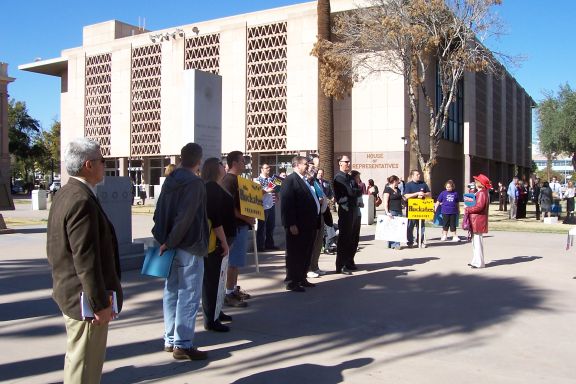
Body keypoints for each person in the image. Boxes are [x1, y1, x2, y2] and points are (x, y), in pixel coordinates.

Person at [46, 138, 123, 383]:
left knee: (78, 359)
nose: (104, 165)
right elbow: (85, 259)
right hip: (85, 301)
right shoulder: (80, 200)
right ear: (89, 165)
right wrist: (100, 304)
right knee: (86, 365)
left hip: (72, 294)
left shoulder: (67, 193)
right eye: (102, 160)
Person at [152, 142, 209, 361]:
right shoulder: (195, 183)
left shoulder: (170, 180)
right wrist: (171, 241)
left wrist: (163, 239)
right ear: (198, 160)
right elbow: (185, 216)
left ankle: (170, 338)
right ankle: (183, 343)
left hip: (169, 244)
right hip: (188, 244)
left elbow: (159, 213)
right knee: (189, 294)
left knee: (171, 291)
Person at [201, 158, 235, 332]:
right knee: (211, 281)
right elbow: (215, 219)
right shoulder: (211, 188)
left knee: (219, 279)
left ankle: (216, 310)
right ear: (215, 168)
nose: (225, 166)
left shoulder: (217, 186)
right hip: (215, 242)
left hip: (222, 240)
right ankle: (210, 319)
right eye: (222, 164)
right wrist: (223, 240)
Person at [221, 151, 255, 307]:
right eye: (242, 161)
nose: (244, 164)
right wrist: (246, 218)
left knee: (236, 262)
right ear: (234, 163)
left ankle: (233, 288)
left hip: (240, 226)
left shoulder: (238, 180)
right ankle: (228, 293)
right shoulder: (229, 180)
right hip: (234, 227)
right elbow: (229, 207)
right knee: (232, 262)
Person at [281, 155, 320, 291]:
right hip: (297, 225)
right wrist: (291, 224)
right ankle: (293, 281)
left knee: (306, 252)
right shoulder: (290, 180)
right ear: (297, 165)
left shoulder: (304, 180)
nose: (308, 166)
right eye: (305, 164)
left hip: (309, 225)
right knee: (295, 253)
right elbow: (287, 204)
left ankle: (302, 277)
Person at [333, 155, 362, 274]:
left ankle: (350, 261)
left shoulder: (349, 177)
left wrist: (355, 190)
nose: (348, 164)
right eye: (346, 162)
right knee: (345, 237)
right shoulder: (339, 177)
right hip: (345, 209)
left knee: (354, 237)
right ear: (340, 163)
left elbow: (358, 190)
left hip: (354, 209)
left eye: (349, 162)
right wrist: (355, 190)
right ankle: (341, 264)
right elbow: (351, 192)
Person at [307, 155, 330, 278]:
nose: (315, 170)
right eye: (312, 166)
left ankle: (315, 266)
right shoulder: (306, 181)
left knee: (319, 242)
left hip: (320, 213)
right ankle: (309, 268)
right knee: (312, 242)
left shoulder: (316, 182)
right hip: (311, 216)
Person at [466, 174, 491, 269]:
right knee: (475, 242)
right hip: (476, 219)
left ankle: (479, 262)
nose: (475, 183)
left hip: (478, 220)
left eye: (477, 181)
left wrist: (468, 209)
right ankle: (476, 260)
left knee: (477, 242)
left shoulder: (482, 193)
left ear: (480, 183)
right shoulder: (481, 192)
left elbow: (479, 207)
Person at [403, 169, 431, 248]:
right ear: (412, 176)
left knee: (421, 226)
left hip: (421, 209)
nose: (419, 176)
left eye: (419, 174)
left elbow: (429, 193)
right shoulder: (408, 185)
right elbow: (406, 196)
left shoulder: (423, 184)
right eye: (417, 175)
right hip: (412, 209)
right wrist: (416, 194)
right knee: (410, 226)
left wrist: (424, 194)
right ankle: (410, 242)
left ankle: (420, 241)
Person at [256, 163, 278, 252]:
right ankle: (260, 246)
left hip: (271, 205)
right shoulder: (258, 180)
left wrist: (276, 194)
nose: (268, 169)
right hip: (263, 206)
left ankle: (269, 244)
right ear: (262, 169)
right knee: (262, 227)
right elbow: (258, 192)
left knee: (271, 226)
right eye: (266, 168)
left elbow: (274, 189)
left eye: (269, 167)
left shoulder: (271, 179)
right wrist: (269, 190)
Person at [382, 175, 403, 250]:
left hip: (399, 210)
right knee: (392, 227)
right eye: (398, 181)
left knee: (398, 227)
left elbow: (401, 198)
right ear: (394, 181)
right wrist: (387, 212)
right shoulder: (387, 189)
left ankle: (396, 243)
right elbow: (385, 201)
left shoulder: (398, 189)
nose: (399, 182)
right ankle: (393, 243)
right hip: (391, 210)